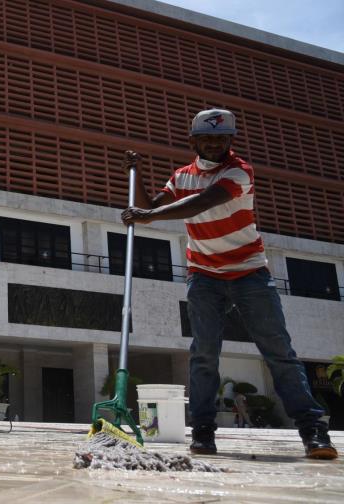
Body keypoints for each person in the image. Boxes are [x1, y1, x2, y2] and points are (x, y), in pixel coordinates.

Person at [120, 108, 337, 460]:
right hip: (203, 275)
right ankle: (203, 431)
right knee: (204, 354)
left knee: (279, 353)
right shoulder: (182, 176)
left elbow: (201, 203)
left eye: (222, 137)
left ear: (231, 139)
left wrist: (148, 216)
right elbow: (149, 205)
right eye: (207, 137)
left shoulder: (239, 171)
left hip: (249, 272)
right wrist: (136, 173)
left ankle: (313, 430)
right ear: (193, 140)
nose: (215, 143)